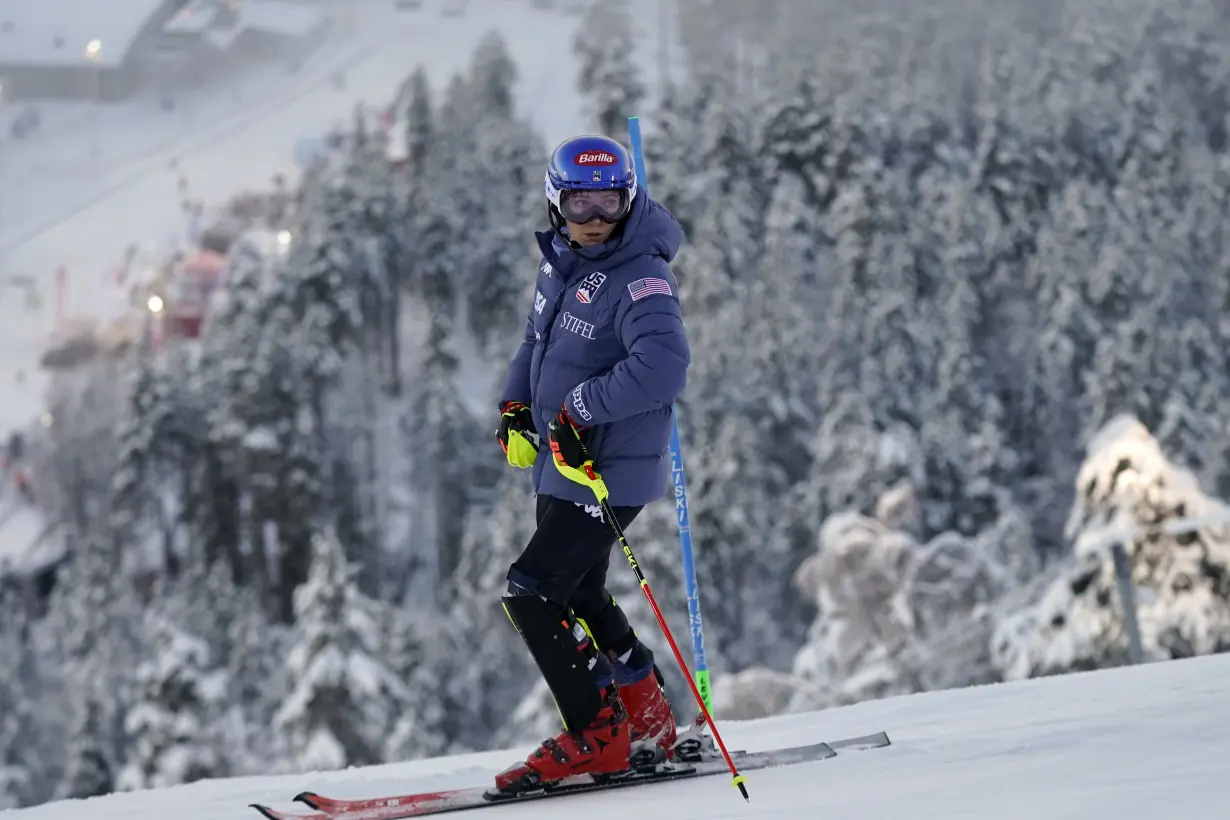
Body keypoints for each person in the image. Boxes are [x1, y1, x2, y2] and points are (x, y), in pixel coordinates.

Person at [493, 135, 691, 791]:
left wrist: (578, 408)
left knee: (534, 590)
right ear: (558, 202)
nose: (596, 216)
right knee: (577, 590)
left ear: (628, 199)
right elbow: (537, 342)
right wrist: (516, 406)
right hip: (563, 462)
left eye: (609, 200)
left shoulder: (641, 276)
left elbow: (662, 369)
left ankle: (596, 736)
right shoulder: (562, 263)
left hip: (608, 466)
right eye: (580, 202)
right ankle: (648, 716)